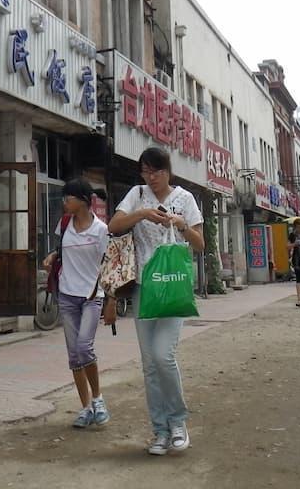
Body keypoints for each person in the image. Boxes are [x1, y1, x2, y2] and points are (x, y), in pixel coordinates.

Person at [108, 147, 204, 456]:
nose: (152, 178)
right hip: (143, 288)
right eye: (146, 171)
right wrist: (143, 214)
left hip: (173, 286)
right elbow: (114, 225)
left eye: (157, 171)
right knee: (150, 364)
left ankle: (178, 423)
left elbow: (200, 244)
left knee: (164, 356)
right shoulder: (137, 194)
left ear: (168, 171)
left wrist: (180, 224)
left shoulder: (185, 199)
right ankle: (160, 431)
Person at [41, 179, 112, 429]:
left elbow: (109, 265)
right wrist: (52, 256)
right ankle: (85, 408)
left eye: (67, 198)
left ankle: (99, 399)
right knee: (74, 356)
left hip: (92, 297)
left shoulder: (101, 230)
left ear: (82, 200)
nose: (64, 202)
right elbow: (61, 250)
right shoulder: (65, 224)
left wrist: (111, 301)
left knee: (84, 347)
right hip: (67, 296)